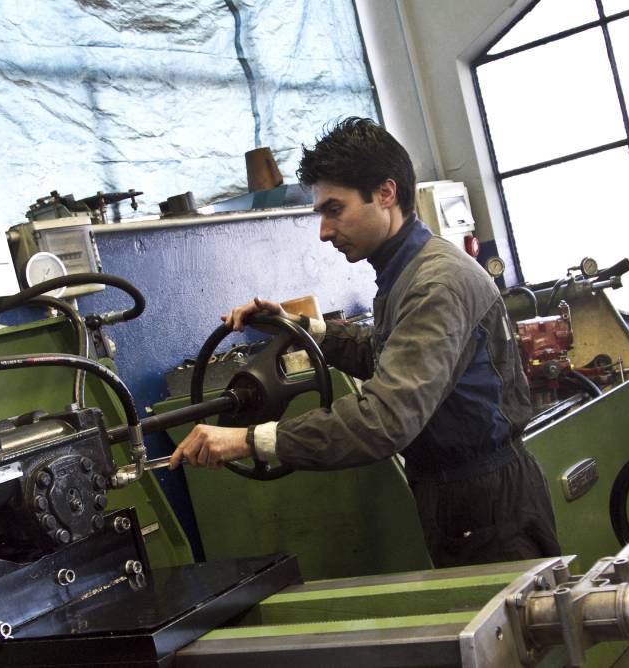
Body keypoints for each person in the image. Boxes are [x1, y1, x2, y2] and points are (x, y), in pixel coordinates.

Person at [170, 117, 560, 567]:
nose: (324, 231)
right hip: (459, 497)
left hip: (488, 505)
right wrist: (297, 326)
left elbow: (384, 420)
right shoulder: (407, 270)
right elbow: (381, 351)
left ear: (386, 193)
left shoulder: (435, 284)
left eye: (334, 210)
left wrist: (248, 440)